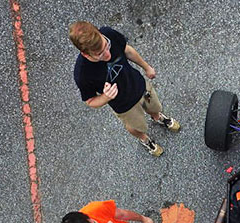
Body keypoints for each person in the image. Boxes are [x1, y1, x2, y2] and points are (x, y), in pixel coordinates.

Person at [69, 21, 180, 157]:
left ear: (100, 33)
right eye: (100, 54)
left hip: (139, 84)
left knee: (154, 106)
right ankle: (144, 139)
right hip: (124, 105)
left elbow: (127, 50)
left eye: (106, 46)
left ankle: (157, 117)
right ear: (86, 54)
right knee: (135, 126)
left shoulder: (108, 33)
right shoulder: (82, 74)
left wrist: (146, 67)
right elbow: (90, 101)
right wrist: (106, 97)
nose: (108, 55)